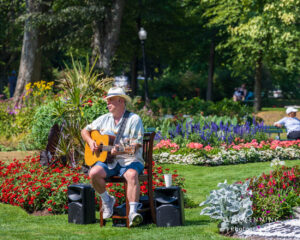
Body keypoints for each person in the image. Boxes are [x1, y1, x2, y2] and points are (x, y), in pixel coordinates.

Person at [81, 87, 144, 227]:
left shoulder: (134, 119)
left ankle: (133, 213)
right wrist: (91, 142)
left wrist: (120, 151)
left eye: (110, 101)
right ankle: (107, 200)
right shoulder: (104, 119)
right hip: (109, 162)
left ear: (121, 101)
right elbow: (84, 130)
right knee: (93, 173)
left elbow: (135, 147)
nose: (107, 103)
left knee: (132, 175)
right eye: (107, 101)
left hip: (130, 160)